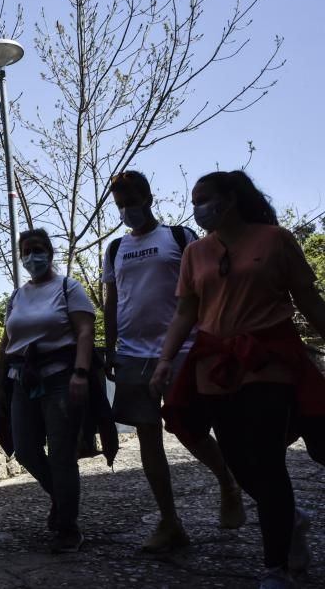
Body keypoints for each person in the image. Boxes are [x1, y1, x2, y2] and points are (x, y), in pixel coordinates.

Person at [155, 170, 325, 589]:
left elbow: (306, 298)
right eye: (193, 200)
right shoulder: (196, 253)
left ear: (230, 199)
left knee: (267, 461)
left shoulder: (275, 239)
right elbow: (184, 314)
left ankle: (275, 569)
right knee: (239, 464)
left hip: (269, 362)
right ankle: (291, 521)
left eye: (204, 198)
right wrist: (164, 361)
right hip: (215, 367)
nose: (197, 207)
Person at [103, 171, 244, 553]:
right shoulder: (115, 249)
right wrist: (109, 347)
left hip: (183, 350)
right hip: (133, 354)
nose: (127, 209)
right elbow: (114, 301)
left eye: (132, 200)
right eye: (120, 204)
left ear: (149, 197)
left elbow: (209, 288)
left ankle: (227, 481)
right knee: (148, 437)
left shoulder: (180, 238)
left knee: (191, 429)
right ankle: (170, 522)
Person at [0, 228, 96, 553]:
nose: (32, 256)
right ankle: (61, 498)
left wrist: (81, 372)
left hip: (60, 378)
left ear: (49, 252)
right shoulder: (17, 296)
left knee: (62, 456)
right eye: (26, 251)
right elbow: (6, 343)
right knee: (25, 450)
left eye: (37, 249)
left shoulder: (68, 288)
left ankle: (68, 528)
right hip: (22, 380)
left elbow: (85, 331)